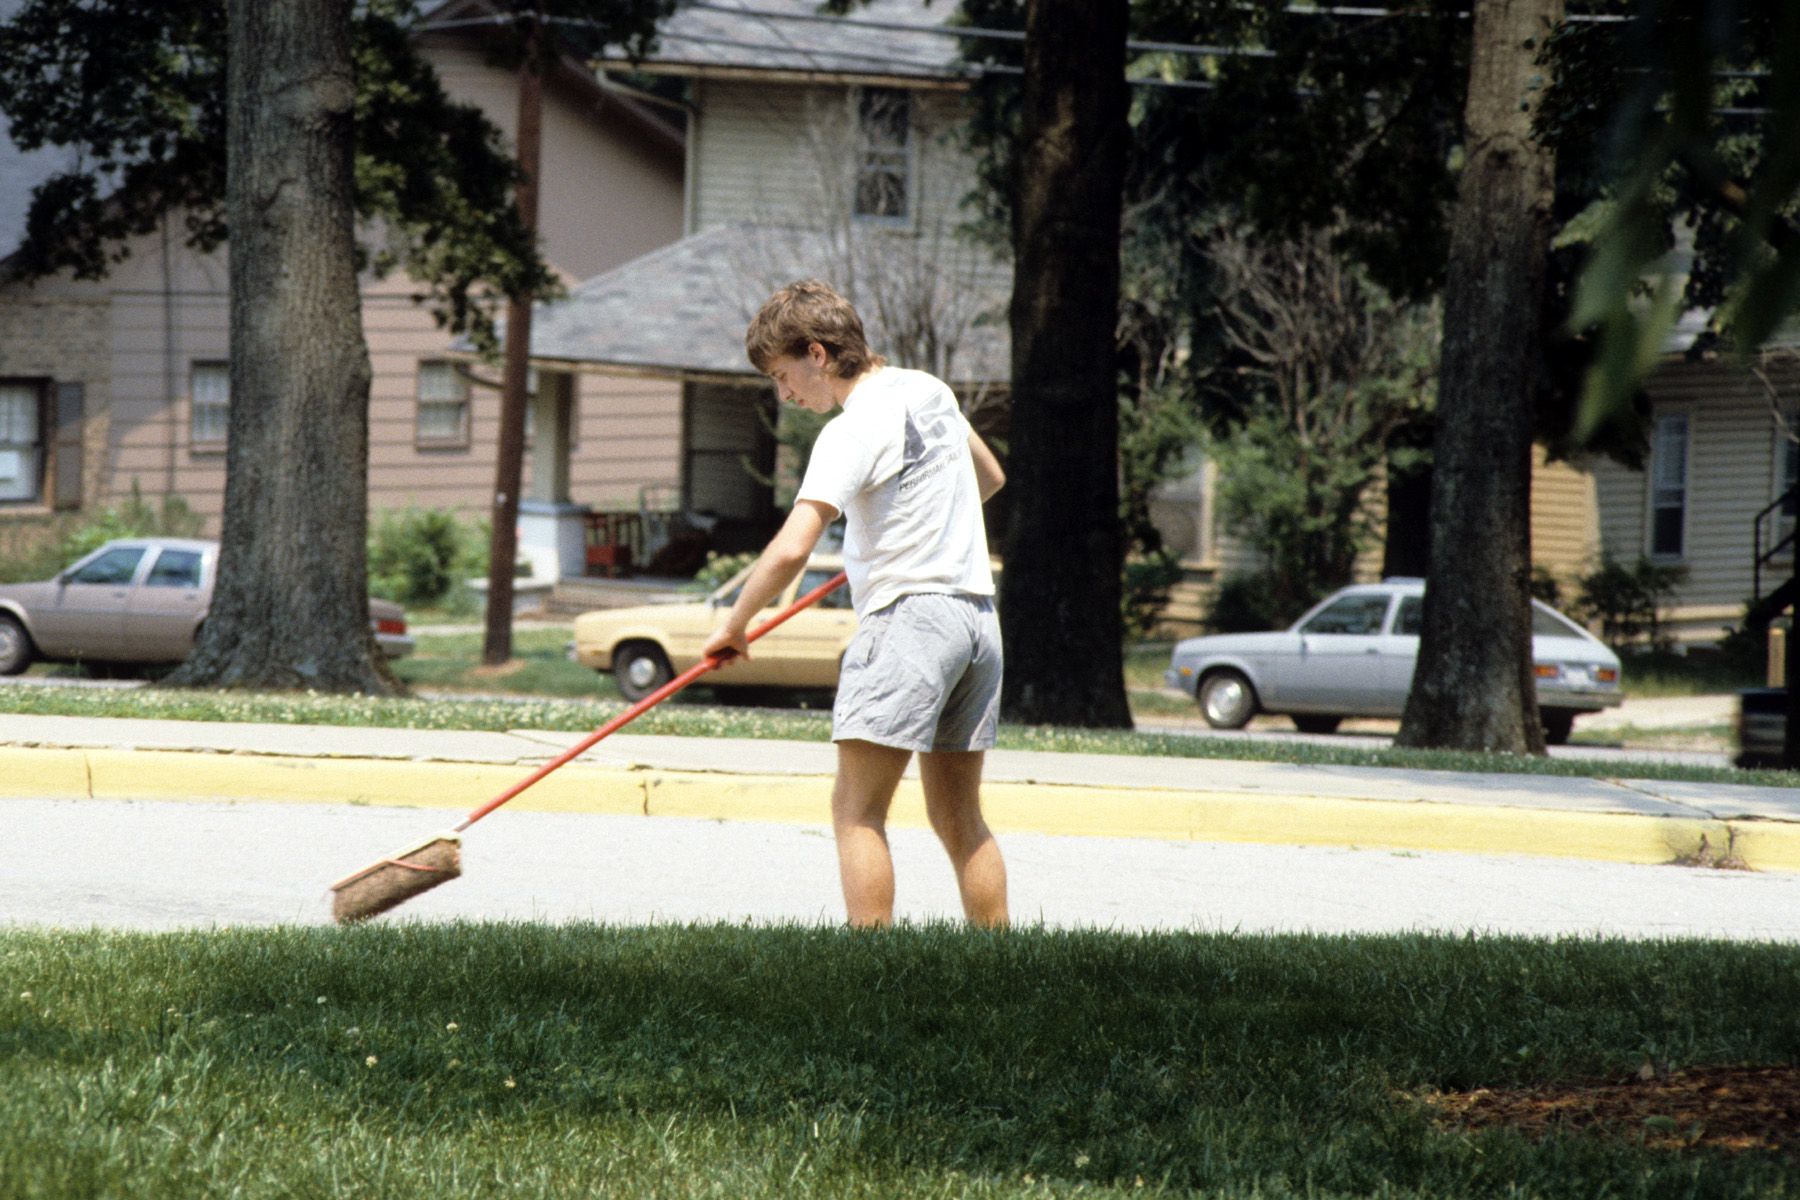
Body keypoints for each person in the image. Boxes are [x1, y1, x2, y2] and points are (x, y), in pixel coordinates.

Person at [700, 280, 1009, 928]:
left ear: (817, 354)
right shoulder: (929, 390)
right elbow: (989, 477)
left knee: (857, 812)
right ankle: (1000, 961)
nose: (785, 394)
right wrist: (909, 531)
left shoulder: (850, 429)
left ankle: (871, 968)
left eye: (782, 375)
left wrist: (735, 625)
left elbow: (792, 549)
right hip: (977, 621)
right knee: (959, 815)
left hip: (909, 622)